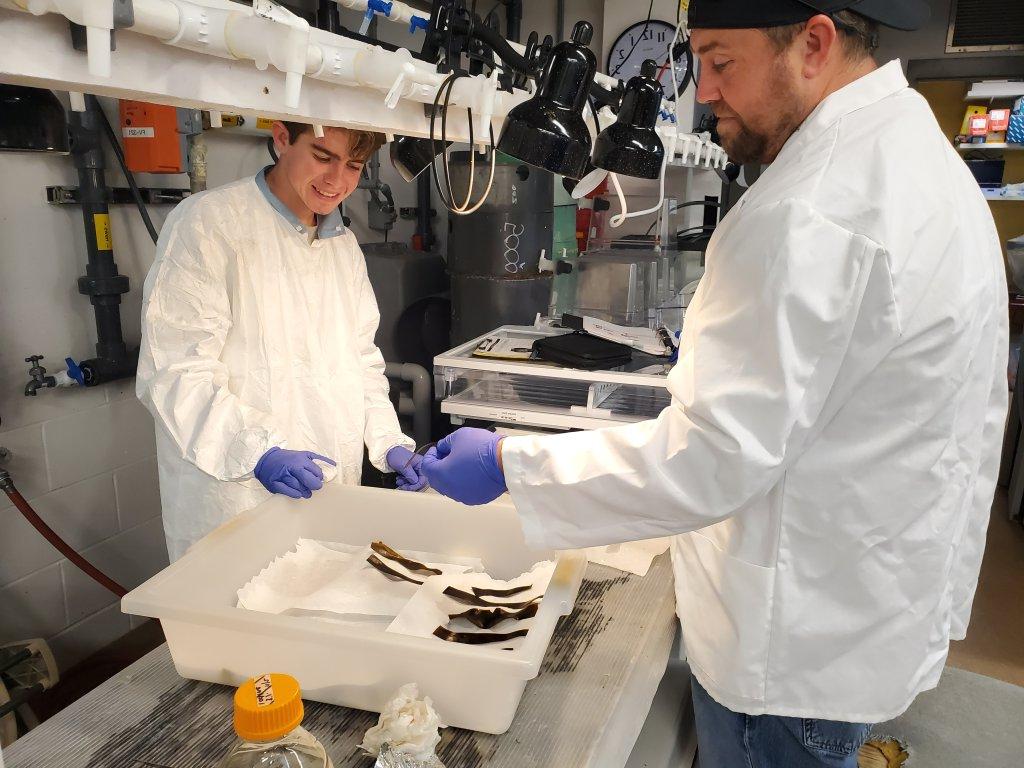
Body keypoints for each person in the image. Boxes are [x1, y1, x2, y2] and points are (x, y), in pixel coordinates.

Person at [422, 1, 1008, 765]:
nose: (703, 92)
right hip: (860, 612)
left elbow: (710, 459)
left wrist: (511, 464)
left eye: (723, 62)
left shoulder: (816, 209)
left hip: (791, 660)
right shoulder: (911, 156)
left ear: (814, 43)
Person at [137, 121, 426, 562]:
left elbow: (361, 362)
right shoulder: (208, 224)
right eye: (323, 156)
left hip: (328, 483)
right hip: (235, 490)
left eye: (353, 165)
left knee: (316, 607)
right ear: (282, 138)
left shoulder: (342, 245)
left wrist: (389, 442)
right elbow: (175, 371)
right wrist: (258, 451)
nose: (337, 181)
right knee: (237, 614)